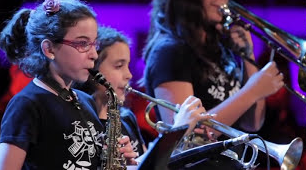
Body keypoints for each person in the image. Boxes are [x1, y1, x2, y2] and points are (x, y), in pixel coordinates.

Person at [0, 0, 138, 170]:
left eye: (94, 44)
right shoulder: (27, 104)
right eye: (83, 43)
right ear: (49, 49)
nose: (94, 54)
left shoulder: (86, 101)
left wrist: (120, 161)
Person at [142, 0, 284, 136]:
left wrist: (248, 56)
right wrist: (252, 91)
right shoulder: (168, 52)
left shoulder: (218, 47)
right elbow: (186, 137)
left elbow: (252, 124)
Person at [74, 26, 214, 159]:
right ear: (92, 70)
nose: (129, 75)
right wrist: (178, 130)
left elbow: (151, 166)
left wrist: (188, 141)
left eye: (128, 65)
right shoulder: (80, 123)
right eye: (119, 66)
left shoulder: (127, 118)